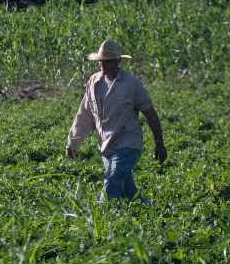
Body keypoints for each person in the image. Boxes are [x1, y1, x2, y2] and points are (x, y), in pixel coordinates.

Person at [65, 40, 167, 205]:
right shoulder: (93, 83)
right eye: (100, 60)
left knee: (112, 181)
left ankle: (102, 219)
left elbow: (150, 113)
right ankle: (147, 214)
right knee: (127, 188)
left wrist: (159, 144)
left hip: (128, 143)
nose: (102, 64)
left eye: (107, 61)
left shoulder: (131, 84)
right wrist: (73, 143)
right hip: (106, 146)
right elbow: (84, 114)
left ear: (118, 61)